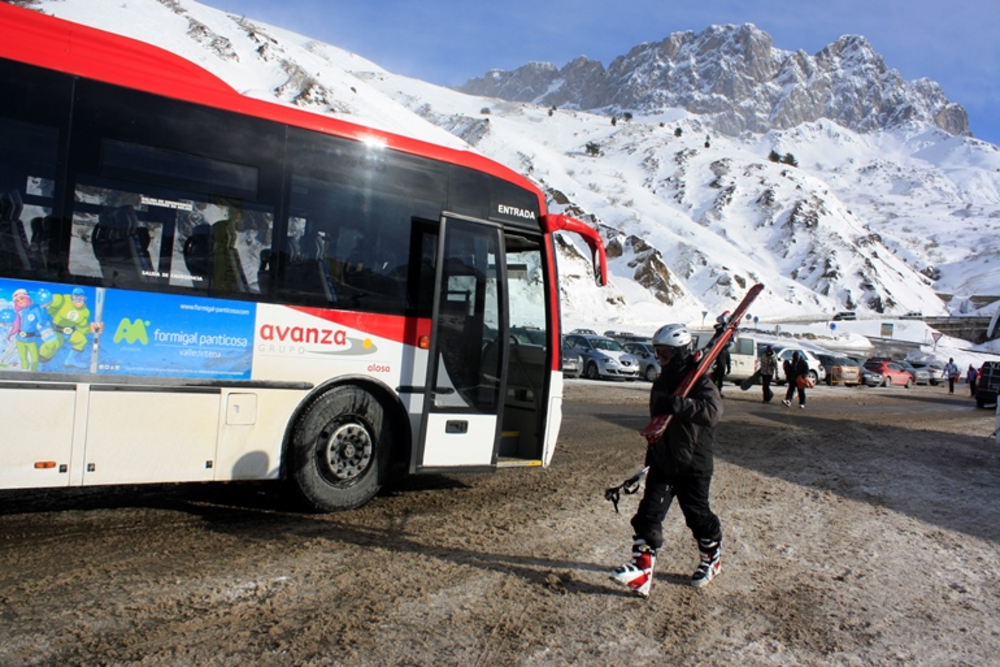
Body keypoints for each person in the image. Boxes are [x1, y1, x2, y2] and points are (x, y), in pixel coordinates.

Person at [610, 323, 724, 597]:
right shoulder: (660, 383)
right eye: (657, 352)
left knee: (697, 516)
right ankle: (641, 572)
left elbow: (712, 413)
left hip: (694, 464)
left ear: (682, 353)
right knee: (648, 515)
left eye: (665, 354)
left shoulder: (700, 382)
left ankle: (712, 557)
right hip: (663, 462)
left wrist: (681, 405)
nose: (660, 359)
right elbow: (657, 424)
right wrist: (651, 457)